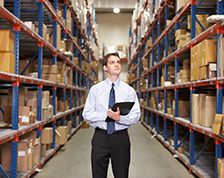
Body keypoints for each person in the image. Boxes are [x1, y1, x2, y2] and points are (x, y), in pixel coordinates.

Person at [82, 52, 141, 178]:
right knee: (98, 175)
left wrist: (119, 118)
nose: (116, 65)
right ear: (105, 67)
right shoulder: (96, 90)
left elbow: (136, 115)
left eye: (118, 62)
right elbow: (86, 114)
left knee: (122, 175)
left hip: (121, 138)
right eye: (112, 62)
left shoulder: (129, 91)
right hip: (100, 137)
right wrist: (106, 115)